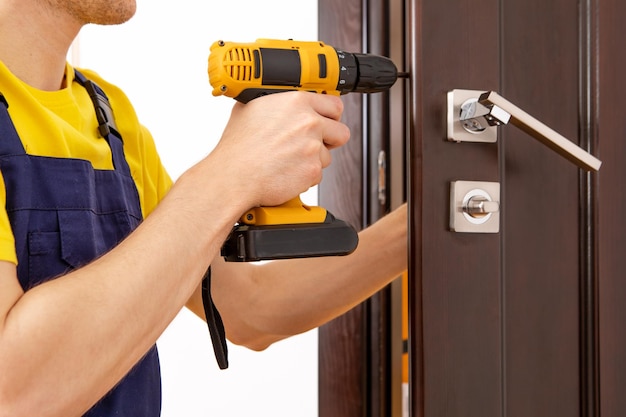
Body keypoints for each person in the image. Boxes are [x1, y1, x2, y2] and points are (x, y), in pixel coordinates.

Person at [0, 0, 408, 416]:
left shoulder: (106, 114)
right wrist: (232, 172)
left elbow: (251, 306)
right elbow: (15, 392)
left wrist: (424, 226)